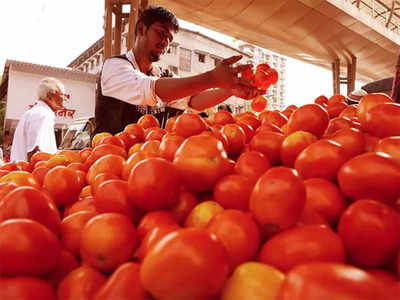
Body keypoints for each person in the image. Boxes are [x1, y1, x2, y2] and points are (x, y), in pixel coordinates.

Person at [95, 5, 264, 134]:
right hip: (107, 166)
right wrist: (213, 78)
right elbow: (151, 88)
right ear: (141, 30)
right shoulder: (115, 66)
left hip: (149, 163)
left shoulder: (163, 75)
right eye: (161, 33)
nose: (165, 42)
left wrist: (231, 89)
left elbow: (193, 101)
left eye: (169, 39)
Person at [10, 77, 69, 162]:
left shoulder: (35, 112)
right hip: (30, 173)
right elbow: (35, 153)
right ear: (49, 96)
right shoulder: (43, 115)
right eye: (63, 95)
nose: (66, 98)